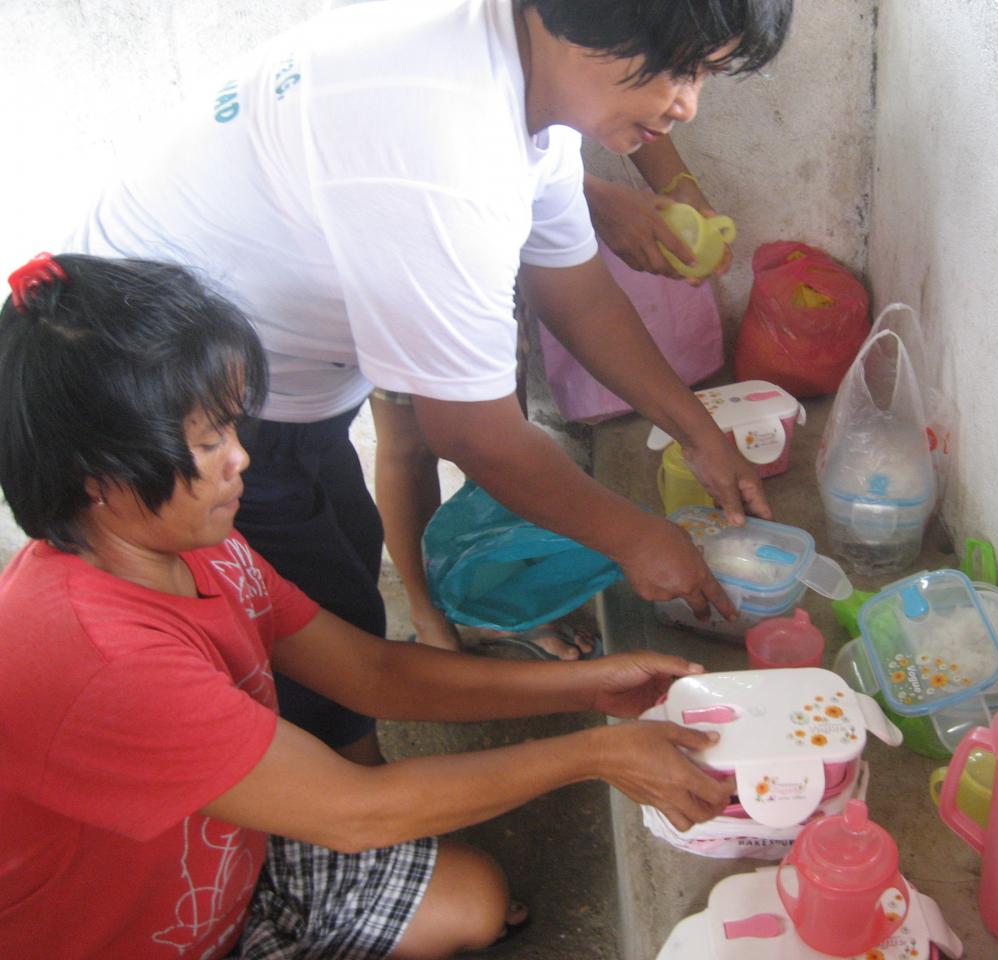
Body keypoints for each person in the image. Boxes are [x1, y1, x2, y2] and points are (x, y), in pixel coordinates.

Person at [68, 0, 794, 762]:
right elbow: (473, 435)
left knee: (337, 575)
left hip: (235, 367)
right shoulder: (444, 143)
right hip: (159, 393)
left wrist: (699, 432)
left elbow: (576, 291)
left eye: (703, 75)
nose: (686, 105)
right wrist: (638, 539)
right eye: (676, 69)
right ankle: (345, 813)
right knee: (311, 633)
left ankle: (339, 782)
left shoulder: (516, 78)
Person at [0, 253, 733, 960]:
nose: (241, 458)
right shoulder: (101, 657)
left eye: (230, 427)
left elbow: (372, 672)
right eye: (208, 440)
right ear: (102, 479)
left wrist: (586, 685)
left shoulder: (194, 542)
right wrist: (595, 754)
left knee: (472, 898)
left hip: (228, 858)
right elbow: (353, 812)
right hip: (129, 935)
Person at [372, 133, 735, 658]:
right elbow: (468, 437)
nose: (684, 108)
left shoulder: (556, 125)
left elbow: (580, 301)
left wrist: (675, 184)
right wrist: (594, 196)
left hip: (493, 233)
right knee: (412, 442)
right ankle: (429, 615)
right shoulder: (456, 82)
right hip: (407, 246)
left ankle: (506, 591)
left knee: (505, 419)